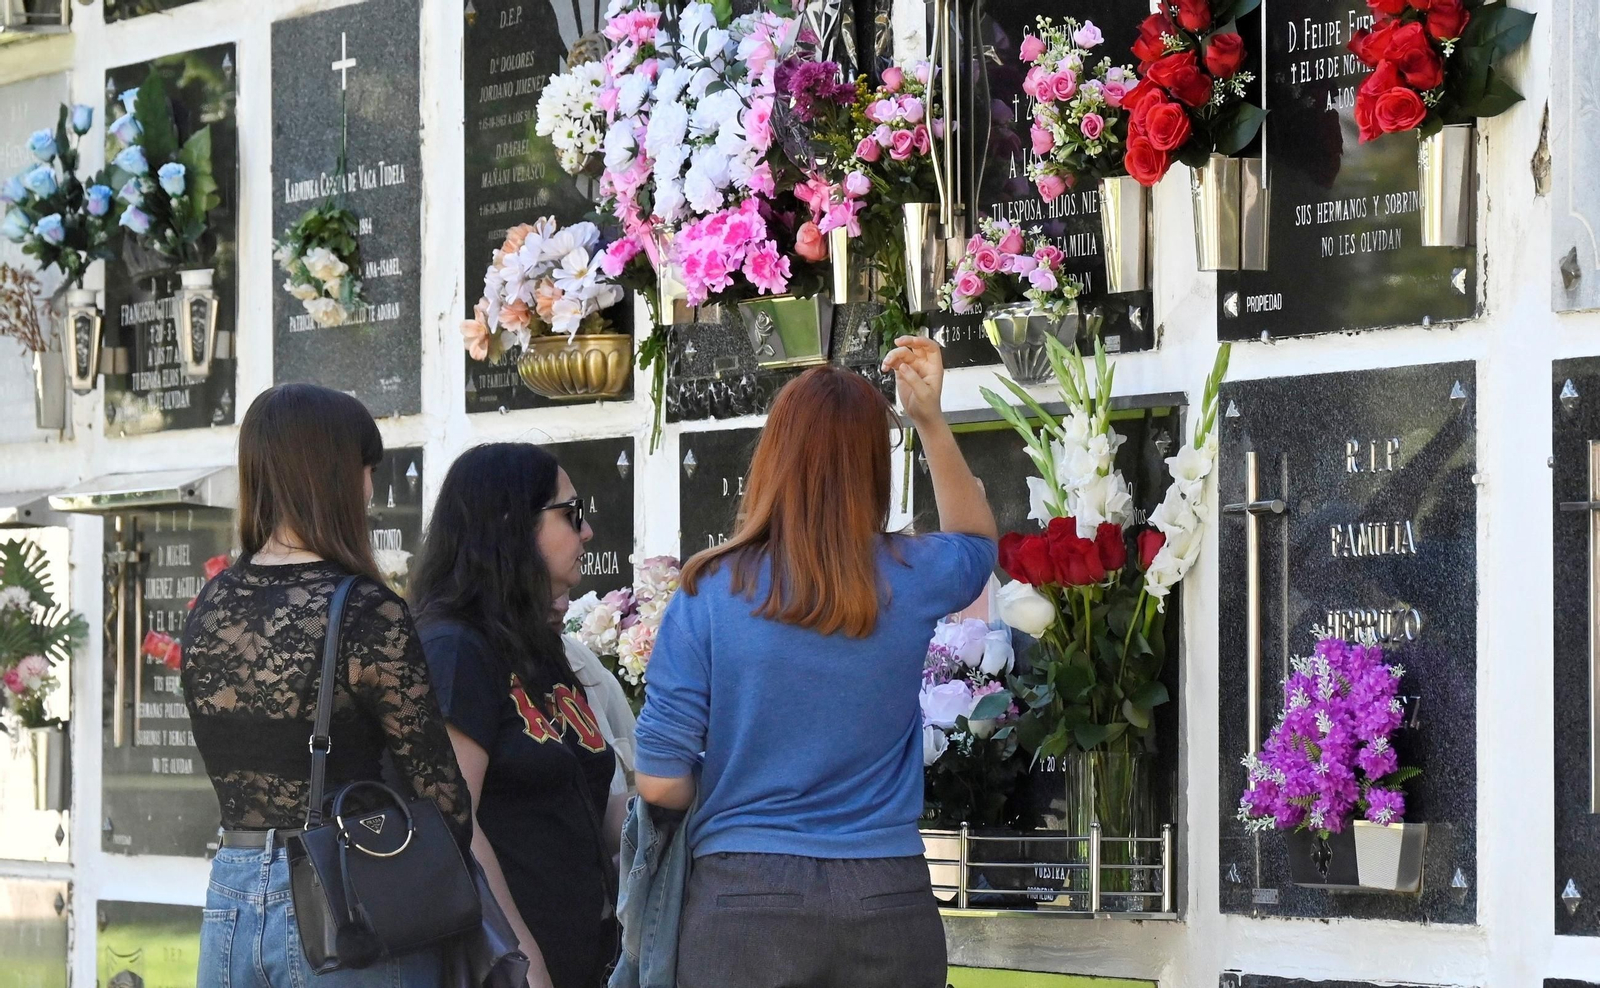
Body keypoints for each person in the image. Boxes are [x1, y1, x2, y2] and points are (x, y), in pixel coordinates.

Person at [633, 337, 998, 988]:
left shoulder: (708, 591)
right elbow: (975, 543)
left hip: (743, 900)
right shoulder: (910, 575)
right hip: (888, 896)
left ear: (773, 460)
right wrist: (930, 421)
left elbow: (660, 783)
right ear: (874, 470)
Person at [182, 383, 470, 987]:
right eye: (367, 469)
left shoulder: (211, 604)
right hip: (343, 907)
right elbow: (443, 799)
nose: (371, 490)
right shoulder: (367, 610)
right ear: (333, 476)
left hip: (230, 895)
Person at [412, 444, 625, 988]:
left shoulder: (536, 646)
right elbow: (455, 824)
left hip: (586, 954)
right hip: (512, 970)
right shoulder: (455, 648)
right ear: (512, 523)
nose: (587, 533)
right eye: (571, 513)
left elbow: (585, 799)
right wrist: (522, 963)